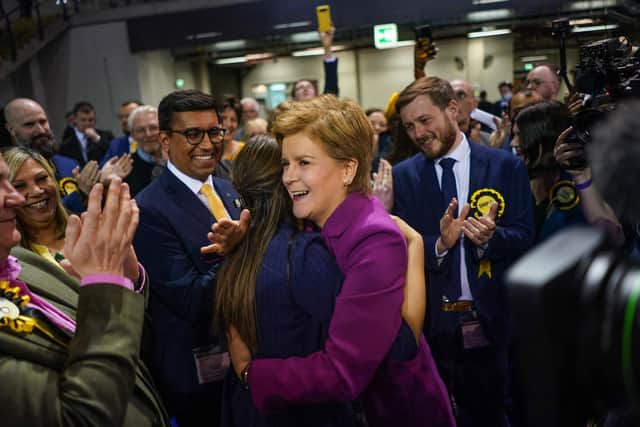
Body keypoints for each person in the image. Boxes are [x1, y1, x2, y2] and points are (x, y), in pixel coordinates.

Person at [226, 94, 454, 427]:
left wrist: (251, 373)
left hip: (399, 411)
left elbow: (344, 373)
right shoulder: (325, 220)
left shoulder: (372, 237)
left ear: (348, 169)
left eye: (303, 163)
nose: (288, 177)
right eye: (285, 164)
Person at [392, 77, 534, 426]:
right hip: (431, 330)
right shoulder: (402, 177)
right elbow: (400, 251)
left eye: (425, 121)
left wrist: (489, 237)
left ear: (452, 109)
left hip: (492, 324)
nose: (418, 133)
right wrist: (440, 244)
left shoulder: (504, 166)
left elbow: (526, 238)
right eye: (410, 126)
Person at [0, 154, 170, 426]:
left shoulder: (83, 231)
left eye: (42, 179)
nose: (28, 194)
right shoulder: (19, 254)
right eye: (16, 185)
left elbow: (131, 311)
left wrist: (132, 278)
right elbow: (80, 416)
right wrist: (105, 283)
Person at [216, 135, 356, 426]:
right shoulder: (303, 254)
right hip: (305, 411)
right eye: (294, 165)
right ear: (287, 183)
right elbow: (354, 351)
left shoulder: (234, 248)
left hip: (250, 409)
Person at [133, 89, 245, 427]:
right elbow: (191, 298)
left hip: (249, 360)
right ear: (166, 141)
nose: (208, 144)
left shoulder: (228, 188)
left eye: (214, 132)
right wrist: (239, 251)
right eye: (193, 134)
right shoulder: (148, 209)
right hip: (201, 375)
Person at [512, 101, 623, 244]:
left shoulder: (583, 181)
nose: (513, 143)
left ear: (541, 141)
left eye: (519, 136)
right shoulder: (520, 181)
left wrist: (581, 176)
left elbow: (614, 238)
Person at [4, 98, 98, 214]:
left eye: (43, 122)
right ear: (11, 129)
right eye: (29, 124)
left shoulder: (70, 164)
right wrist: (80, 194)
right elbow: (40, 215)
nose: (40, 130)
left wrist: (103, 184)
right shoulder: (8, 174)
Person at [4, 147, 68, 266]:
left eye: (42, 178)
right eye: (19, 186)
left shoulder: (90, 230)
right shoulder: (9, 262)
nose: (36, 191)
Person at [122, 105, 166, 196]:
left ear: (163, 130)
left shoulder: (179, 160)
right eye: (140, 130)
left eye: (153, 128)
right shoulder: (125, 169)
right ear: (132, 135)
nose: (148, 134)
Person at [60, 101, 113, 167]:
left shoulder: (106, 136)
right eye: (83, 120)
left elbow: (113, 151)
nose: (87, 124)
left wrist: (97, 138)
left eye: (90, 120)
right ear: (75, 120)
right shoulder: (65, 144)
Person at [291, 27, 339, 100]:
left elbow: (331, 86)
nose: (305, 89)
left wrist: (327, 47)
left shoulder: (323, 106)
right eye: (300, 88)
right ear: (294, 96)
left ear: (315, 92)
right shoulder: (289, 111)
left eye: (309, 86)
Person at [100, 100, 142, 165]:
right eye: (121, 117)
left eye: (129, 116)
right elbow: (104, 168)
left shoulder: (153, 139)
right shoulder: (116, 144)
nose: (124, 120)